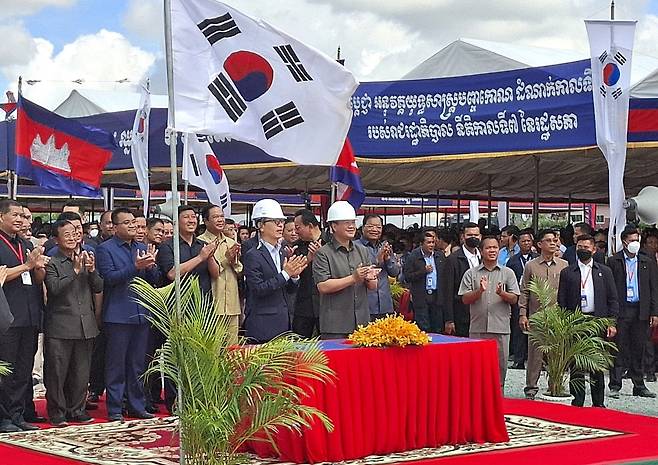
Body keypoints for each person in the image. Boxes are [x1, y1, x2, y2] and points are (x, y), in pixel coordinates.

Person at [95, 208, 160, 421]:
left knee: (137, 364)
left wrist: (150, 266)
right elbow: (110, 278)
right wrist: (135, 266)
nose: (132, 226)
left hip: (141, 313)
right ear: (115, 227)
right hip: (118, 314)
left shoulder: (142, 247)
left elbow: (155, 279)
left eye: (134, 222)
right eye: (127, 223)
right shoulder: (105, 249)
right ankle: (115, 407)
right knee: (116, 364)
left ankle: (137, 405)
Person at [44, 220, 103, 426]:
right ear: (56, 239)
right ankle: (57, 412)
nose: (72, 238)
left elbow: (98, 287)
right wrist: (74, 271)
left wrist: (92, 270)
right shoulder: (52, 261)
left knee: (81, 372)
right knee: (57, 373)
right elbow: (54, 289)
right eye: (66, 234)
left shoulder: (86, 257)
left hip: (85, 324)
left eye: (75, 233)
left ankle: (77, 409)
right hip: (60, 325)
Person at [0, 199, 48, 432]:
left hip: (29, 314)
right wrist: (27, 266)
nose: (21, 220)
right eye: (15, 215)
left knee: (23, 370)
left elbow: (36, 280)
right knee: (6, 370)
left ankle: (17, 415)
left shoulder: (26, 243)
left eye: (23, 216)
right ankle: (3, 417)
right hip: (7, 317)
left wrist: (38, 268)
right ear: (1, 217)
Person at [557, 234, 618, 408]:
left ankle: (598, 402)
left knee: (596, 364)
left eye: (586, 247)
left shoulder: (604, 271)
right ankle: (577, 401)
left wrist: (611, 322)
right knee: (576, 364)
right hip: (575, 322)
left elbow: (613, 299)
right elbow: (562, 300)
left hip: (597, 322)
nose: (583, 250)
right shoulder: (568, 272)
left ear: (594, 249)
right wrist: (564, 323)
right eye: (580, 247)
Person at [459, 236, 520, 388]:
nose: (492, 250)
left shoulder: (508, 273)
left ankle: (499, 398)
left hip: (501, 328)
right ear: (481, 251)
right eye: (488, 248)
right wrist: (479, 291)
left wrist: (502, 293)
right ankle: (478, 399)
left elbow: (514, 299)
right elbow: (465, 299)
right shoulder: (471, 273)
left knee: (500, 369)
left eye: (495, 247)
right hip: (478, 329)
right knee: (476, 369)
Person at [243, 199, 306, 343]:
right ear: (260, 225)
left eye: (281, 221)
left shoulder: (282, 252)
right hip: (262, 324)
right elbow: (258, 289)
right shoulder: (253, 255)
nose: (280, 225)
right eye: (275, 221)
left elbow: (288, 290)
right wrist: (285, 274)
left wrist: (294, 277)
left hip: (283, 322)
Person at [313, 201, 378, 339]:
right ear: (334, 226)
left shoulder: (362, 250)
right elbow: (323, 286)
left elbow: (373, 286)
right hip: (335, 325)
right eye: (346, 223)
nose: (351, 226)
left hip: (362, 323)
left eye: (353, 222)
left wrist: (370, 278)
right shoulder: (323, 253)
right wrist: (353, 278)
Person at [607, 226, 658, 399]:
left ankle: (639, 384)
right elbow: (610, 288)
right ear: (624, 242)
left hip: (640, 310)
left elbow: (653, 288)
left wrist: (654, 312)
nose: (635, 243)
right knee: (618, 347)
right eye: (631, 240)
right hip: (621, 310)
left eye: (637, 240)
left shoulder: (646, 261)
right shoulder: (614, 261)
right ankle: (615, 384)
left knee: (639, 347)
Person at [518, 229, 569, 399]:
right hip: (537, 317)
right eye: (549, 240)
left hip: (557, 318)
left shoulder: (564, 265)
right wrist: (523, 314)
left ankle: (555, 386)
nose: (553, 243)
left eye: (555, 240)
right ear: (539, 244)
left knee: (556, 353)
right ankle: (531, 388)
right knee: (535, 355)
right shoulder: (531, 266)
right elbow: (525, 291)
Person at [198, 205, 242, 345]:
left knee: (232, 350)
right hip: (212, 306)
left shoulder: (231, 242)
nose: (220, 220)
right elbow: (211, 272)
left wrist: (234, 261)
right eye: (215, 217)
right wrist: (226, 259)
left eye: (222, 216)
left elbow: (240, 271)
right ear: (206, 221)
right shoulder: (200, 243)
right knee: (213, 349)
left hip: (232, 305)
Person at [158, 206, 220, 296]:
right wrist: (200, 257)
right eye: (186, 217)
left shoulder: (203, 245)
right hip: (179, 301)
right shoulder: (167, 246)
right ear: (176, 222)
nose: (191, 221)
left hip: (203, 300)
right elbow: (172, 274)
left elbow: (215, 274)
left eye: (193, 217)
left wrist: (210, 257)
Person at [506, 229, 538, 370]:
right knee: (518, 328)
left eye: (528, 241)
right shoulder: (513, 261)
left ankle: (536, 360)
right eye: (523, 241)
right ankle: (518, 359)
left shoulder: (537, 258)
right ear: (518, 243)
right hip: (519, 297)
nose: (526, 243)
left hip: (536, 297)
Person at [443, 222, 482, 337]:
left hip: (481, 314)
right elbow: (447, 291)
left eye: (476, 235)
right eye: (469, 235)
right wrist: (449, 319)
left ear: (480, 237)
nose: (473, 237)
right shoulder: (453, 260)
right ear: (463, 237)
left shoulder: (484, 258)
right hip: (461, 314)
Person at [291, 209, 326, 338]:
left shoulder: (330, 243)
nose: (296, 232)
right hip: (304, 304)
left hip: (325, 304)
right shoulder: (297, 247)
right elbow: (294, 273)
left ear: (310, 226)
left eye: (298, 228)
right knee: (299, 342)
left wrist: (322, 256)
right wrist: (308, 258)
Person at [359, 214, 400, 321]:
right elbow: (359, 271)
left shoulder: (384, 246)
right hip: (365, 305)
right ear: (363, 228)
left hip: (385, 304)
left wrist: (388, 258)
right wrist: (378, 260)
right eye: (371, 226)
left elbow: (395, 272)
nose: (374, 230)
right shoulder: (355, 247)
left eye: (378, 227)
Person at [403, 232, 446, 333]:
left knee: (438, 326)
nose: (431, 245)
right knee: (423, 327)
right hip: (421, 296)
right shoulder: (413, 256)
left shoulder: (439, 256)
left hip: (436, 295)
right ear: (421, 244)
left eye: (433, 242)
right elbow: (407, 277)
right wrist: (423, 271)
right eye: (428, 242)